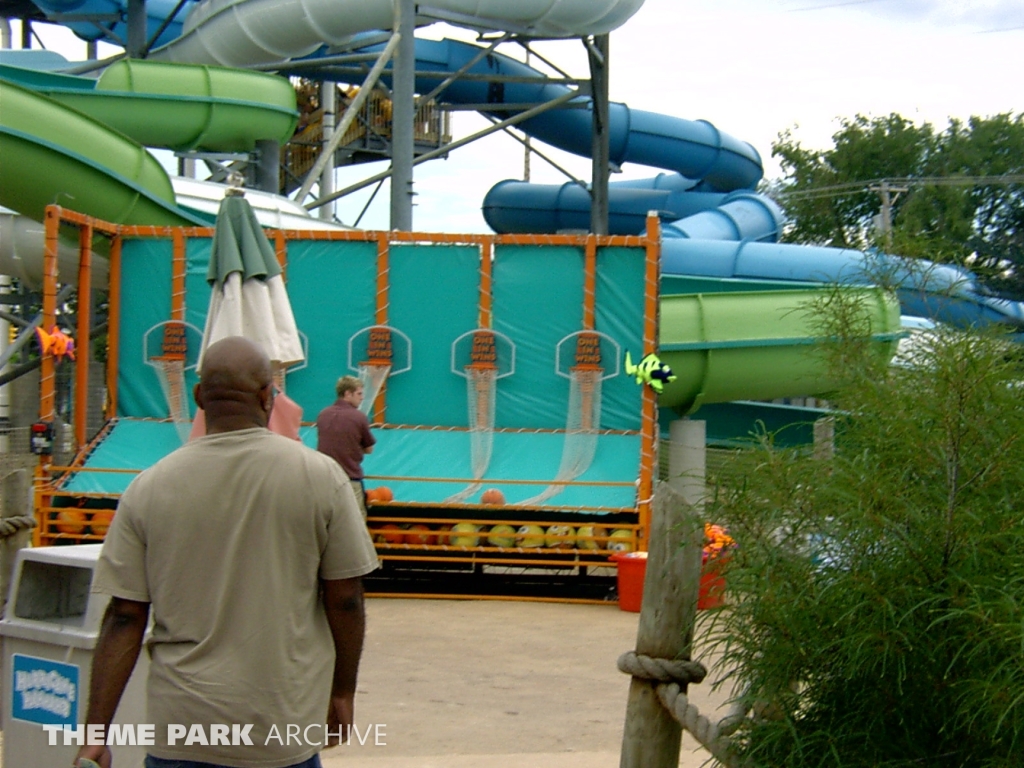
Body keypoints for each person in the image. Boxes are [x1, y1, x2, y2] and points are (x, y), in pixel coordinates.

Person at [76, 337, 379, 768]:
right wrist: (342, 691)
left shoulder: (148, 487)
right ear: (266, 396)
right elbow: (345, 597)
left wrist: (96, 733)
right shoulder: (319, 477)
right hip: (280, 728)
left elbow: (125, 616)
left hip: (180, 730)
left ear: (199, 397)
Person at [316, 375, 376, 516]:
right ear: (347, 394)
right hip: (349, 478)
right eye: (359, 393)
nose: (362, 398)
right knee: (355, 521)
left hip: (324, 478)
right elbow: (369, 448)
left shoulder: (323, 414)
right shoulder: (359, 417)